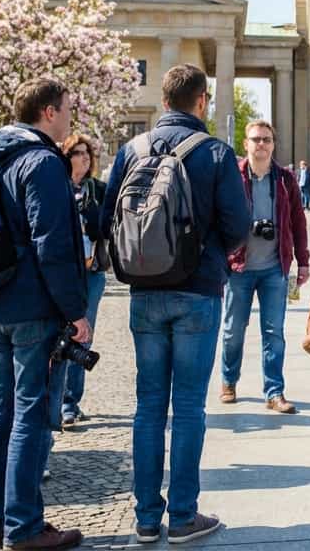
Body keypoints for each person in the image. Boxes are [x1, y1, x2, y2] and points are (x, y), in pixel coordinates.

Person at [100, 64, 251, 544]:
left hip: (144, 292)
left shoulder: (131, 150)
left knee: (148, 406)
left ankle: (146, 518)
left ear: (164, 101)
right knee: (187, 407)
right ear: (201, 101)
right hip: (197, 290)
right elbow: (238, 224)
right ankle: (183, 515)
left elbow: (106, 220)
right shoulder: (215, 153)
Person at [0, 78, 89, 551]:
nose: (68, 117)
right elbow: (53, 245)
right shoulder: (41, 162)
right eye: (65, 109)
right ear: (47, 112)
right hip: (31, 309)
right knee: (31, 414)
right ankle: (23, 528)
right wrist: (76, 312)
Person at [220, 120, 310, 414]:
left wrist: (304, 260)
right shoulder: (232, 176)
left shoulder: (285, 179)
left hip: (275, 268)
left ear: (273, 144)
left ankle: (275, 391)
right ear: (245, 143)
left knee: (274, 333)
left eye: (267, 140)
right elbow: (218, 216)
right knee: (234, 330)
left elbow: (298, 221)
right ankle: (228, 380)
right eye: (256, 139)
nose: (261, 144)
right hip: (239, 267)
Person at [59, 134, 107, 427]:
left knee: (82, 337)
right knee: (58, 337)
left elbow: (109, 227)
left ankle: (70, 402)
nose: (84, 157)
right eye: (77, 153)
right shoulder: (56, 188)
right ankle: (56, 398)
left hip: (91, 273)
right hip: (62, 273)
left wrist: (94, 217)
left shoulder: (98, 189)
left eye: (87, 153)